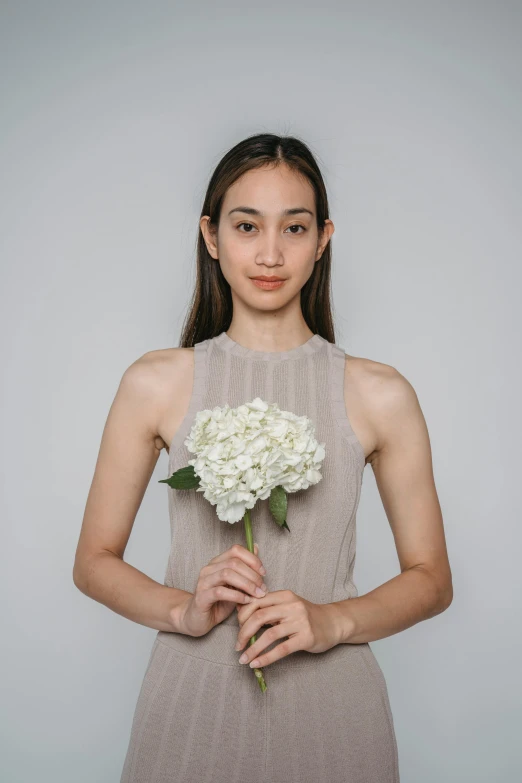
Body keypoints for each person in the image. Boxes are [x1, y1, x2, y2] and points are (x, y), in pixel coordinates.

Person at [73, 132, 453, 782]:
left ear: (323, 237)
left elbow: (432, 578)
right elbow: (92, 561)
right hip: (191, 705)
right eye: (247, 225)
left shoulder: (380, 392)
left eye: (295, 227)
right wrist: (183, 610)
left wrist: (331, 620)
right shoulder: (155, 382)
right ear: (212, 235)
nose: (271, 252)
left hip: (335, 714)